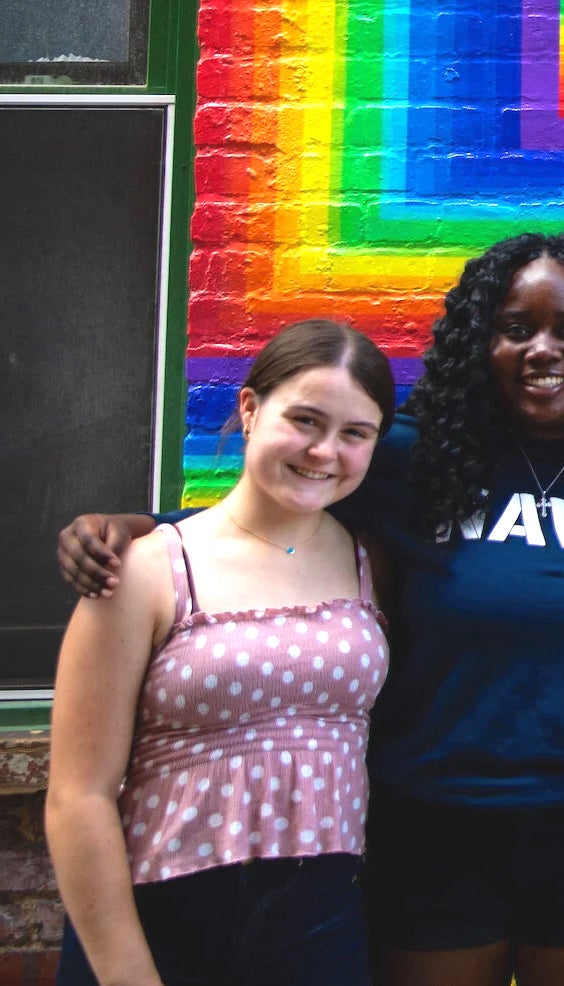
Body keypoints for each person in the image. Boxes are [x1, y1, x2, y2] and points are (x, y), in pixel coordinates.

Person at [54, 232, 564, 986]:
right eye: (515, 329)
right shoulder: (407, 457)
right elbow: (275, 509)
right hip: (430, 819)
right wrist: (142, 530)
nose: (542, 349)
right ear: (480, 342)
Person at [48, 320, 396, 986]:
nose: (324, 452)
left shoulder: (368, 562)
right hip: (165, 915)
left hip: (322, 918)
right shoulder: (142, 570)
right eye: (304, 420)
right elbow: (78, 795)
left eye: (355, 433)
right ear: (248, 407)